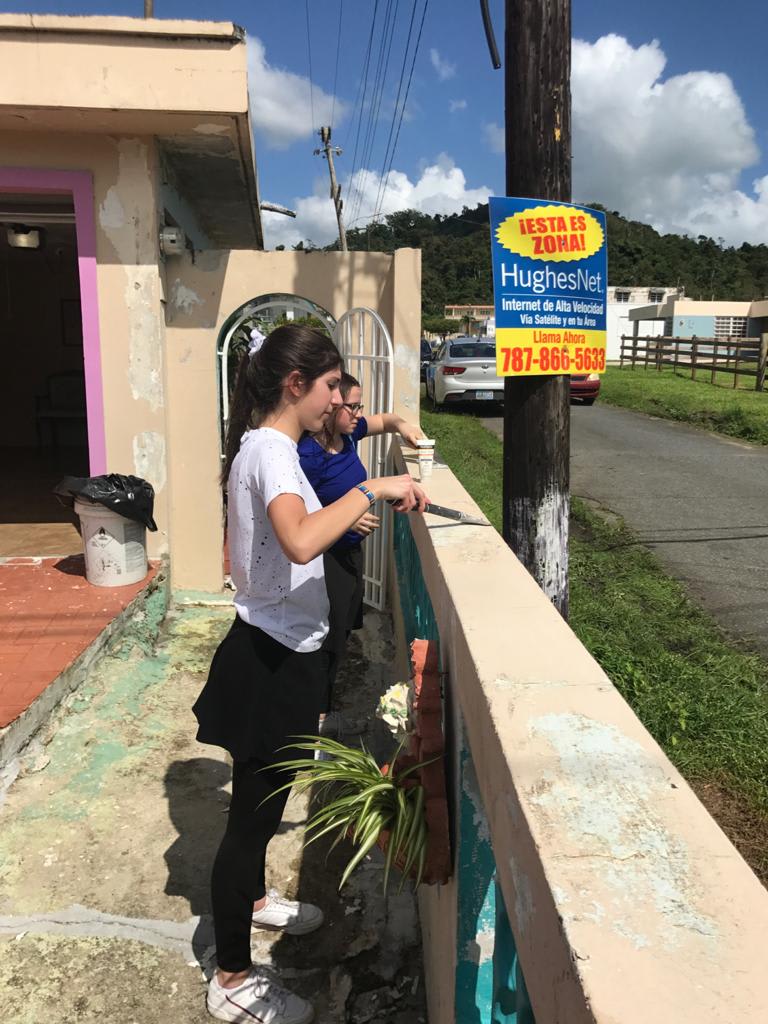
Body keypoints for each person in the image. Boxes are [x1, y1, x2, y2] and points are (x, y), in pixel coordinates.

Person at [192, 325, 426, 1024]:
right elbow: (298, 541)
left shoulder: (271, 447)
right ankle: (231, 976)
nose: (337, 401)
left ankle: (256, 900)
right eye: (329, 386)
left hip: (284, 651)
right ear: (296, 385)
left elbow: (296, 534)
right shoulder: (271, 450)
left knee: (265, 806)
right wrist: (373, 488)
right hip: (266, 660)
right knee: (249, 820)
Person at [298, 372, 423, 732]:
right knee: (326, 638)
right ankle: (316, 720)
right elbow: (296, 515)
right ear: (331, 404)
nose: (358, 414)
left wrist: (404, 426)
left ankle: (323, 708)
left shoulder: (348, 434)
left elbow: (386, 420)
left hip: (350, 554)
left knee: (343, 632)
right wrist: (345, 519)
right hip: (324, 559)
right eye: (351, 407)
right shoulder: (308, 455)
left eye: (359, 406)